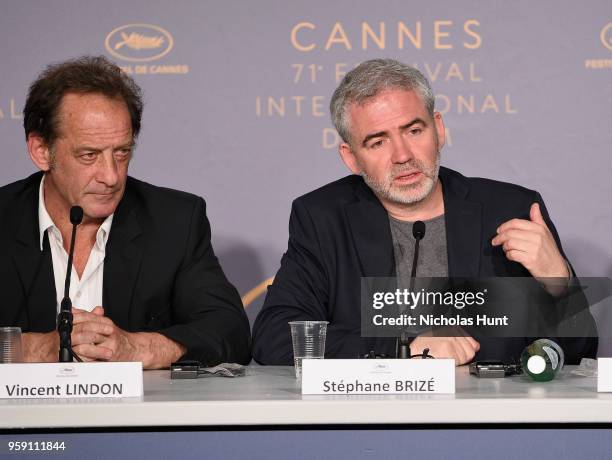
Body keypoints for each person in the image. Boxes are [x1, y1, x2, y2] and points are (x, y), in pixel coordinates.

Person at [252, 58, 597, 366]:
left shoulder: (509, 209)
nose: (402, 155)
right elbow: (275, 339)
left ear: (439, 129)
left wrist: (559, 283)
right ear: (351, 157)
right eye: (378, 141)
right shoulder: (322, 218)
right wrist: (406, 349)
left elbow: (580, 348)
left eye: (414, 130)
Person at [0, 56, 251, 369]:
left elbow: (230, 331)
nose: (111, 176)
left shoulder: (174, 220)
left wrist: (139, 347)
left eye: (122, 153)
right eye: (89, 155)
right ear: (41, 151)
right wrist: (37, 349)